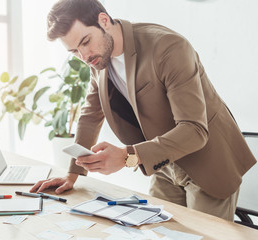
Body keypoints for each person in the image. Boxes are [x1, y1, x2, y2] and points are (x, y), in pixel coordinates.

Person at [30, 0, 256, 221]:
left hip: (207, 160)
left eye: (86, 41)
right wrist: (73, 173)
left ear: (104, 20)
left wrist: (127, 156)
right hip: (164, 163)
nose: (84, 56)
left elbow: (195, 130)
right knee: (155, 232)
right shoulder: (98, 60)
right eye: (74, 51)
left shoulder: (168, 47)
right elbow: (90, 115)